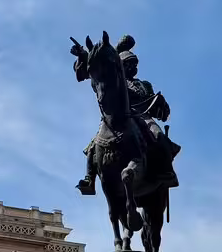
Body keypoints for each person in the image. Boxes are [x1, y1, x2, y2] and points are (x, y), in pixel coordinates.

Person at [73, 34, 179, 196]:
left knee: (158, 135)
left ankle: (166, 171)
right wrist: (82, 56)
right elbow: (93, 69)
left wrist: (159, 102)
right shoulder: (115, 82)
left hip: (143, 115)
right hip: (118, 116)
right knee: (93, 146)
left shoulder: (144, 84)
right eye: (129, 64)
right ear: (121, 66)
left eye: (134, 64)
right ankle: (89, 179)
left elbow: (153, 102)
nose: (133, 67)